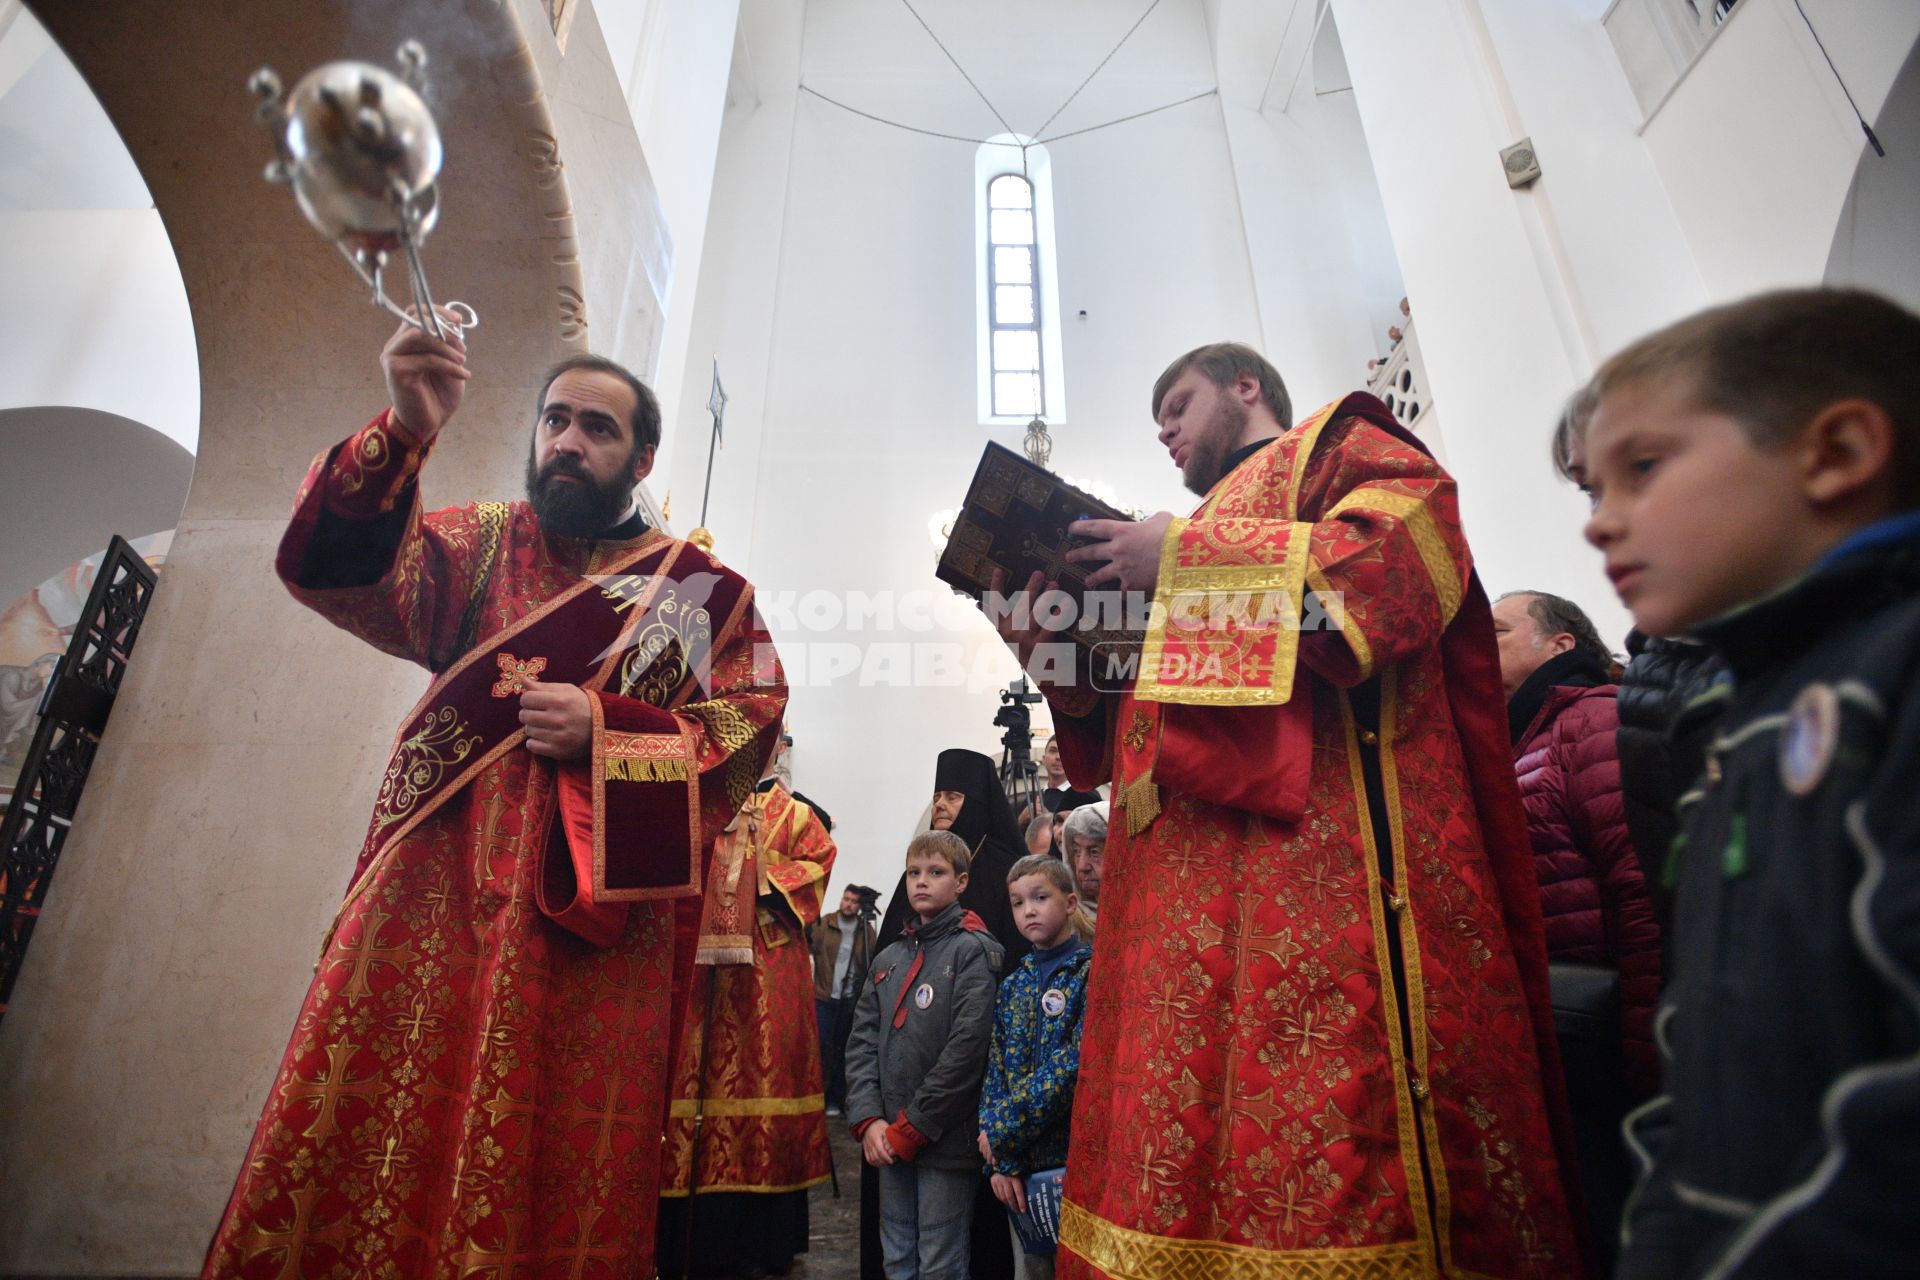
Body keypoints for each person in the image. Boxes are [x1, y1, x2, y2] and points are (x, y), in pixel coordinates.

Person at [203, 311, 786, 1277]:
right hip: (433, 900)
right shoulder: (479, 544)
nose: (566, 442)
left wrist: (611, 732)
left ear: (642, 460)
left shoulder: (701, 596)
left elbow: (747, 729)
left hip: (592, 928)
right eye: (554, 421)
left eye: (597, 429)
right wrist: (402, 428)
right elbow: (337, 573)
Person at [990, 342, 1579, 1277]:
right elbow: (1129, 728)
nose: (1165, 430)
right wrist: (1051, 646)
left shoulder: (1338, 446)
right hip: (1172, 917)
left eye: (1177, 404)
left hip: (1309, 884)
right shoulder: (1187, 536)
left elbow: (1396, 569)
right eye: (1157, 421)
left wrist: (1180, 558)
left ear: (1245, 386)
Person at [1562, 287, 1920, 1278]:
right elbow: (1704, 1034)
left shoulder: (1893, 678)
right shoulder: (1743, 710)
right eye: (1592, 490)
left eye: (1642, 469)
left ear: (1837, 451)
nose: (1599, 525)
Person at [1494, 589, 1662, 1273]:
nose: (1477, 644)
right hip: (1557, 1047)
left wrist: (1650, 1052)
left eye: (1498, 631)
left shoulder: (1590, 721)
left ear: (1559, 645)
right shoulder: (1516, 739)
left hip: (1606, 1044)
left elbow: (1641, 881)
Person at [657, 767, 837, 1279]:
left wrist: (756, 873)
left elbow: (818, 863)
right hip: (695, 974)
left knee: (764, 1077)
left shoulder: (797, 815)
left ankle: (761, 1241)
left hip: (765, 971)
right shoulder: (695, 802)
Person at [847, 831, 1005, 1280]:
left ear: (960, 882)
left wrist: (914, 1126)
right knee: (895, 1254)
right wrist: (869, 1119)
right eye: (914, 873)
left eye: (935, 873)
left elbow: (967, 1052)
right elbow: (861, 1042)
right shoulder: (889, 959)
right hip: (887, 1136)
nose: (921, 882)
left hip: (943, 1140)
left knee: (940, 1259)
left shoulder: (975, 951)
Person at [979, 855, 1095, 1280]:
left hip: (1070, 1163)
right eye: (1017, 902)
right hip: (1019, 1171)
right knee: (1028, 1270)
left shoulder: (1090, 974)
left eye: (1039, 898)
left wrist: (1002, 1131)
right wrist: (999, 1160)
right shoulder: (1015, 983)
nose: (1028, 910)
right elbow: (996, 1071)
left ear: (1069, 903)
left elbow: (1073, 1065)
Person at [815, 883, 879, 1115]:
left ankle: (835, 1099)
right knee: (820, 1049)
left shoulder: (866, 931)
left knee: (845, 1051)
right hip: (823, 997)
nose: (848, 904)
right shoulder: (825, 923)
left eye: (853, 901)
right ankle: (815, 1097)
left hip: (850, 1001)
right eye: (846, 899)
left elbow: (873, 962)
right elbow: (809, 948)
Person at [1016, 736, 1102, 826]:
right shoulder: (1031, 799)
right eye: (1053, 751)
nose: (1058, 757)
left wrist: (1049, 820)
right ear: (1044, 759)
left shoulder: (1086, 796)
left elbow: (1095, 833)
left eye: (1065, 752)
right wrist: (1020, 821)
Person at [1060, 802, 1106, 923]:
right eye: (1076, 852)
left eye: (1094, 852)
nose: (1082, 866)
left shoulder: (1148, 916)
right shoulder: (1063, 925)